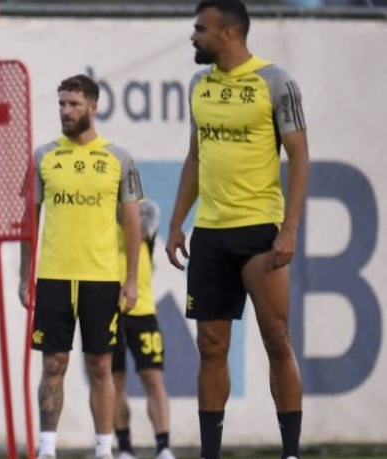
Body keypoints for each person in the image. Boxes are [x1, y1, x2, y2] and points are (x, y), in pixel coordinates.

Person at [165, 2, 309, 459]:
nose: (193, 37)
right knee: (211, 347)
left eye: (200, 29)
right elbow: (195, 156)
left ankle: (290, 452)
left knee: (277, 340)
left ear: (228, 33)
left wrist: (289, 229)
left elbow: (300, 157)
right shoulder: (198, 86)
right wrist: (176, 224)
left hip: (259, 233)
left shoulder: (275, 81)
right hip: (209, 233)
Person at [19, 74, 143, 459]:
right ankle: (47, 448)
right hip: (54, 276)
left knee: (101, 366)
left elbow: (133, 223)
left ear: (93, 106)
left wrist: (132, 279)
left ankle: (104, 449)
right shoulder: (43, 156)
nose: (65, 111)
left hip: (101, 278)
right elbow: (30, 220)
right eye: (61, 104)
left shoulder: (118, 159)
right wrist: (26, 276)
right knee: (53, 364)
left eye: (73, 104)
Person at [111, 199, 175, 459]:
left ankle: (163, 447)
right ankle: (124, 448)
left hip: (143, 308)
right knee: (114, 382)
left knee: (153, 378)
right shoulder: (96, 213)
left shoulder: (146, 208)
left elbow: (140, 230)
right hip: (108, 310)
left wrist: (117, 208)